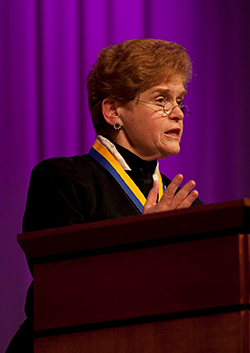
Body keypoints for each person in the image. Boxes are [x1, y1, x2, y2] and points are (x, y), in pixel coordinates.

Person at [6, 38, 203, 352]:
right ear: (113, 111)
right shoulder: (62, 179)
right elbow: (60, 290)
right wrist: (144, 241)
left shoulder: (186, 203)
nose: (177, 113)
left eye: (180, 100)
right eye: (162, 100)